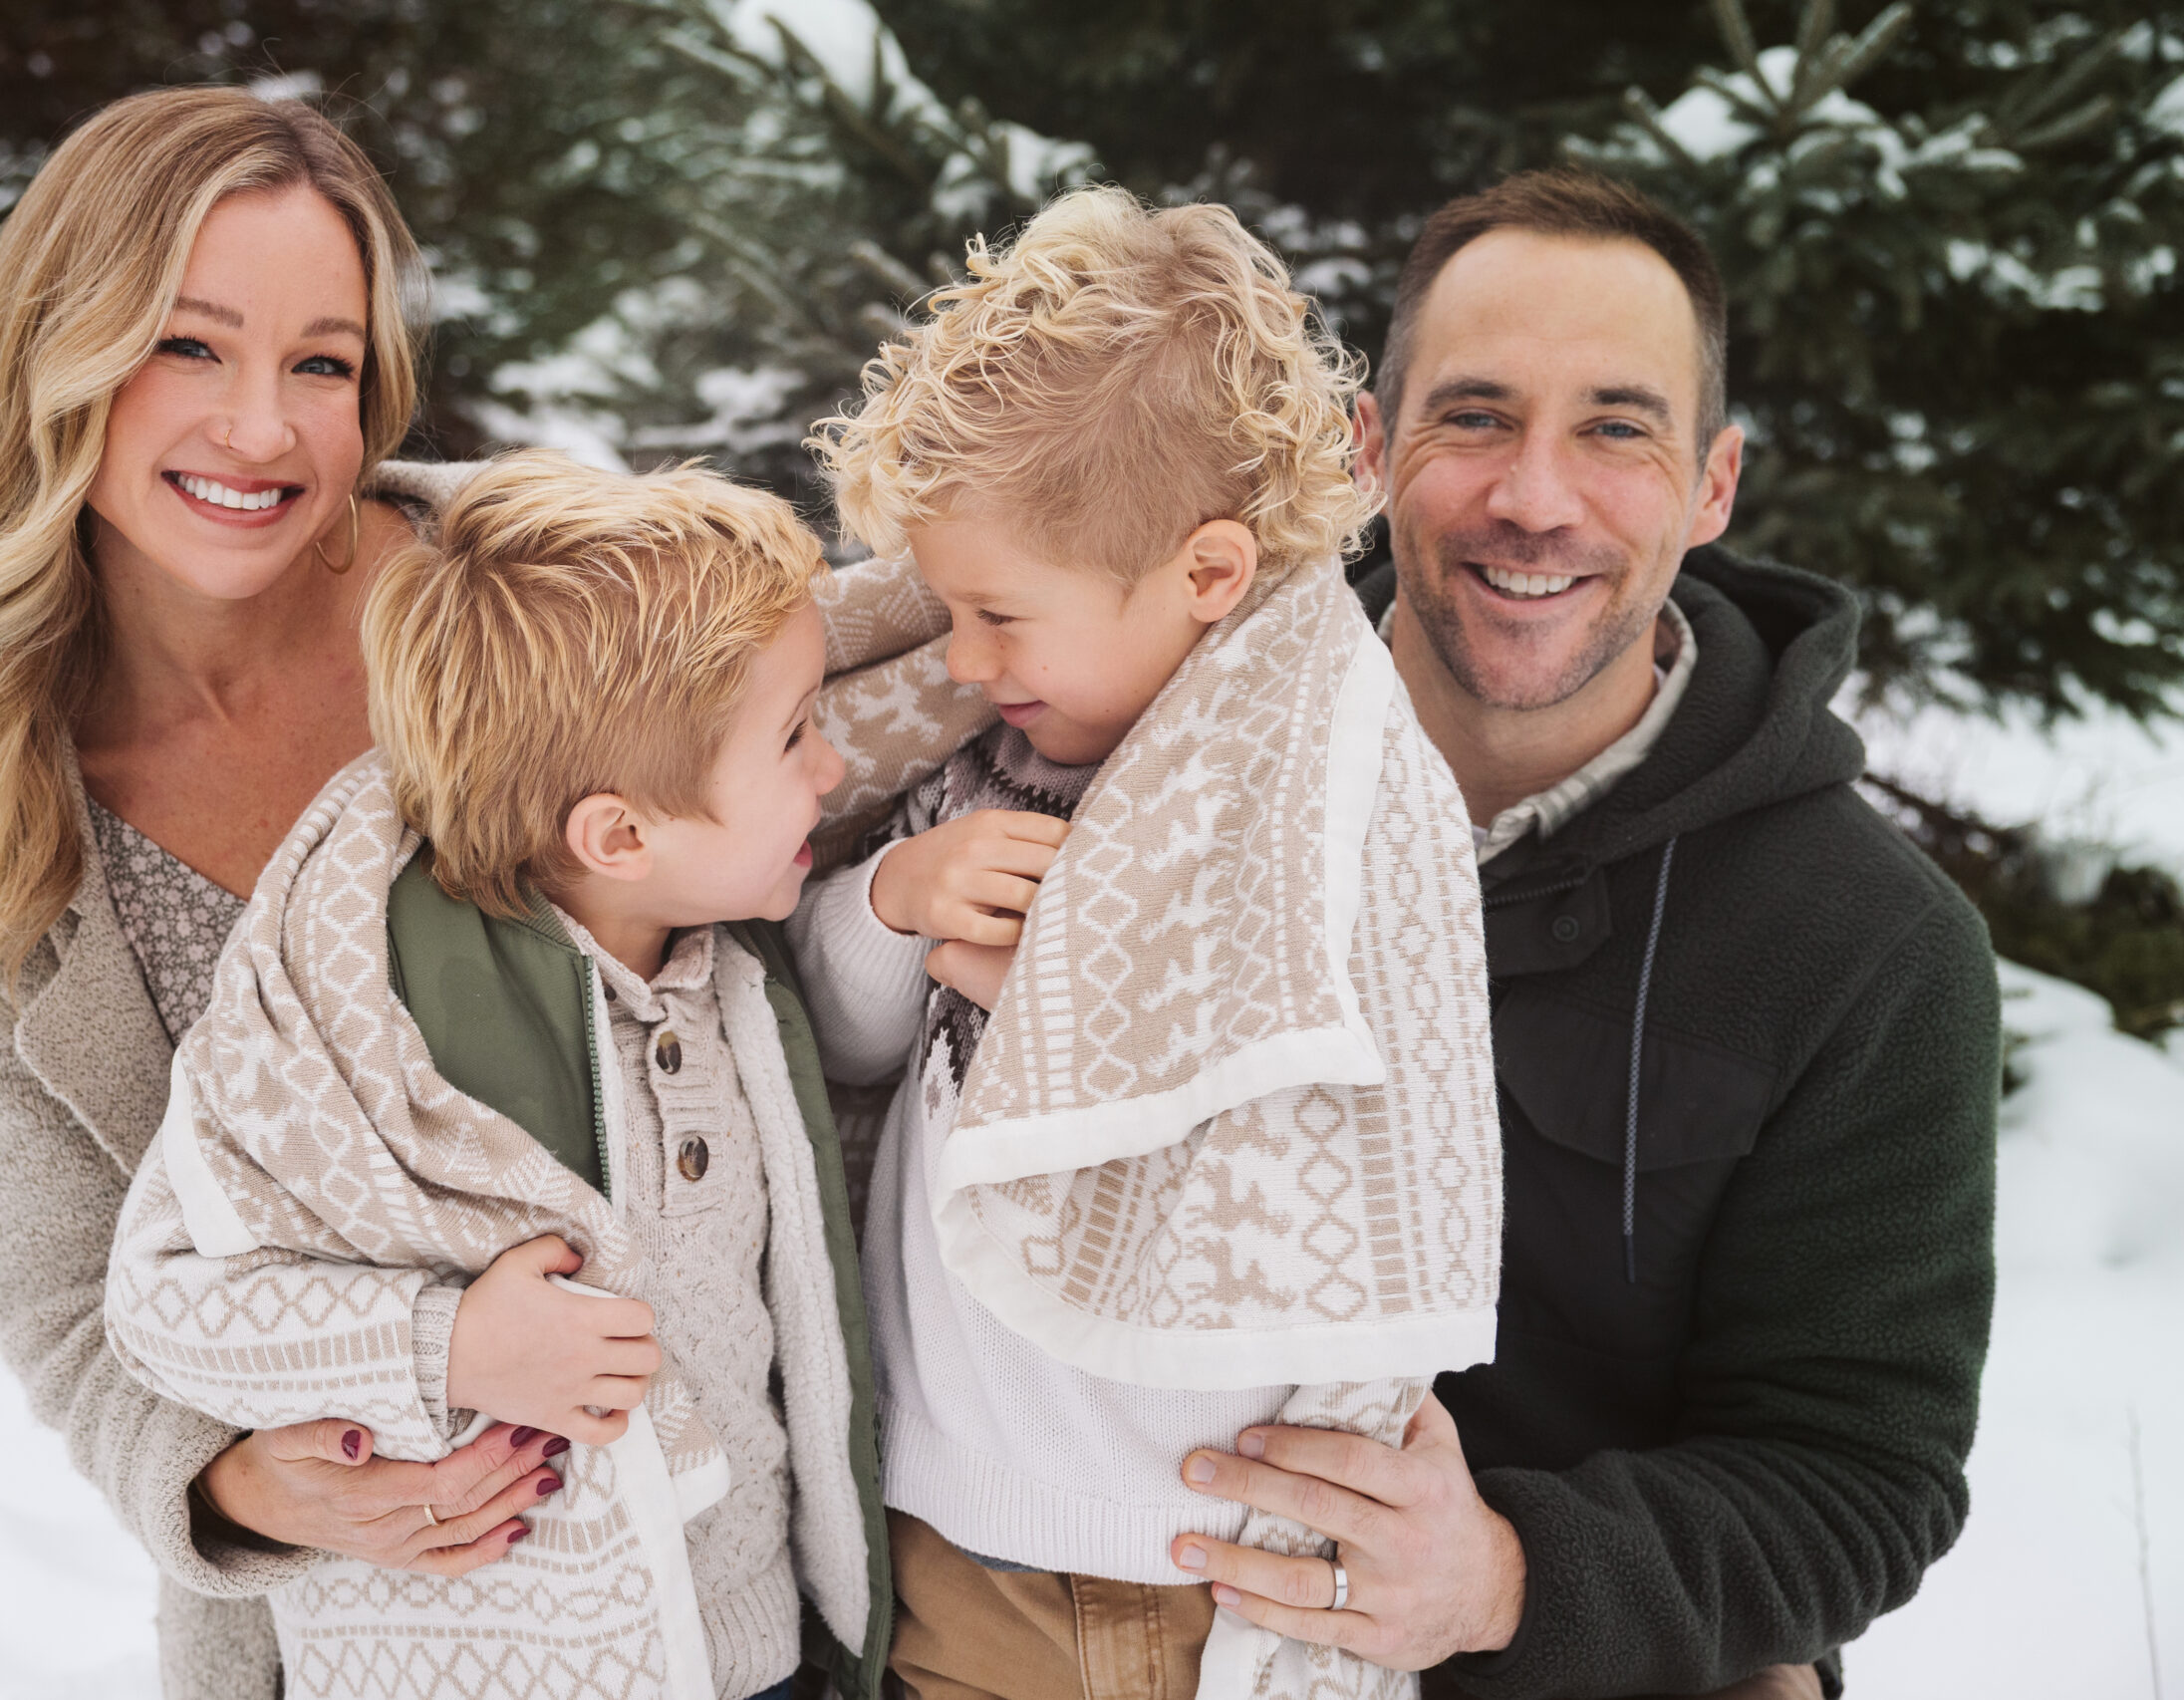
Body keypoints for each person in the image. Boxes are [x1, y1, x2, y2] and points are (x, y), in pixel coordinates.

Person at [1165, 170, 2000, 1700]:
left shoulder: (1870, 949)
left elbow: (1857, 1472)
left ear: (1712, 484)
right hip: (1121, 1610)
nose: (1535, 497)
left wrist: (1506, 1576)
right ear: (1370, 448)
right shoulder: (1156, 760)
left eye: (1617, 428)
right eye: (1474, 416)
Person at [0, 89, 556, 1698]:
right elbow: (73, 1309)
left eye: (322, 363)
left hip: (731, 1571)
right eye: (189, 346)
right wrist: (235, 1482)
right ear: (61, 352)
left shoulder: (529, 603)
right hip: (336, 1639)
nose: (264, 429)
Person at [793, 186, 1502, 1700]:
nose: (963, 661)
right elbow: (844, 1053)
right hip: (956, 1552)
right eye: (947, 609)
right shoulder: (983, 762)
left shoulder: (1318, 787)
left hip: (1201, 1560)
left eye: (999, 614)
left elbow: (1305, 1104)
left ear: (1205, 577)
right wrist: (894, 901)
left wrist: (1062, 998)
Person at [103, 449, 891, 1700]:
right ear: (617, 835)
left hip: (762, 1653)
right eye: (794, 736)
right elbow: (158, 1304)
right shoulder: (355, 1020)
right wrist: (443, 1341)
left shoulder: (724, 972)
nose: (832, 767)